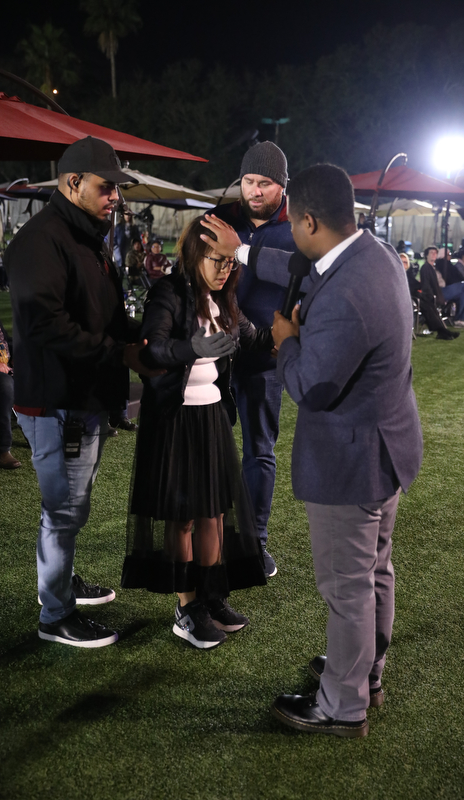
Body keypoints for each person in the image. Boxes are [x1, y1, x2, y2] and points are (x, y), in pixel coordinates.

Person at [222, 164, 423, 738]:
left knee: (348, 587)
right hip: (386, 445)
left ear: (308, 221)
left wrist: (286, 342)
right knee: (374, 572)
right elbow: (302, 268)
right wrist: (244, 252)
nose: (291, 235)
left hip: (351, 458)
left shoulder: (348, 292)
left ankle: (342, 706)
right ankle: (364, 673)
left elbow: (311, 386)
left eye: (292, 225)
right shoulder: (374, 254)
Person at [4, 136, 162, 649]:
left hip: (79, 397)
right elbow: (46, 325)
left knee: (70, 503)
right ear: (73, 183)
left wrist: (143, 336)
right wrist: (119, 353)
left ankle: (62, 583)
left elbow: (102, 316)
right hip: (57, 399)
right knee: (64, 509)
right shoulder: (41, 240)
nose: (115, 196)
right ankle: (55, 615)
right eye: (106, 186)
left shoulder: (80, 235)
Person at [121, 217, 270, 649]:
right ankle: (186, 608)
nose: (224, 269)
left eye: (230, 261)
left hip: (211, 416)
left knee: (214, 513)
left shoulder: (225, 297)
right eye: (216, 259)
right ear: (194, 254)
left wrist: (284, 333)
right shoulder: (169, 292)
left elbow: (252, 337)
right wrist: (193, 348)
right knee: (183, 515)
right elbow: (154, 346)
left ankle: (211, 595)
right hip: (175, 418)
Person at [201, 141, 296, 579]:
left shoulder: (299, 226)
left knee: (259, 450)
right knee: (207, 448)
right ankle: (212, 532)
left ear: (283, 185)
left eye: (265, 183)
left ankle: (254, 541)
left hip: (265, 358)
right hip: (212, 356)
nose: (254, 190)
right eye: (248, 181)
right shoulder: (219, 218)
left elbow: (308, 279)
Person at [399, 252, 459, 340]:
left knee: (430, 305)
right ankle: (443, 331)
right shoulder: (398, 274)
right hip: (408, 297)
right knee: (427, 306)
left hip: (415, 296)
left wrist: (419, 287)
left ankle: (442, 331)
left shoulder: (407, 274)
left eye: (405, 262)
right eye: (402, 261)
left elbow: (414, 284)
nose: (404, 264)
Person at [0, 305, 21, 468]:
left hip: (4, 366)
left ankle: (43, 435)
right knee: (4, 383)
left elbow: (5, 340)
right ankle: (1, 450)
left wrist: (17, 356)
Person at [420, 246, 464, 330]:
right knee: (463, 286)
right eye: (431, 253)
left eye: (435, 253)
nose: (434, 254)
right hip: (438, 292)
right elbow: (426, 285)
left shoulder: (434, 267)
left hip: (442, 290)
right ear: (427, 255)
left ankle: (459, 320)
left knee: (463, 294)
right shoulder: (426, 268)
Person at [114, 210, 140, 274]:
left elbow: (138, 238)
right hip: (121, 248)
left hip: (130, 249)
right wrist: (115, 247)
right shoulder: (119, 226)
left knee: (130, 265)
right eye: (126, 214)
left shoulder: (134, 227)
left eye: (129, 215)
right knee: (120, 266)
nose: (127, 216)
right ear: (123, 215)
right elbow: (115, 238)